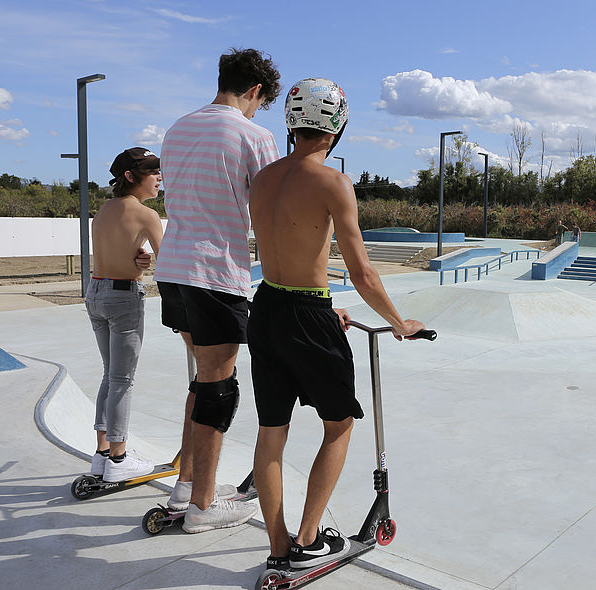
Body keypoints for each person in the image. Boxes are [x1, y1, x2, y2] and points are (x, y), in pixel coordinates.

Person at [247, 77, 425, 571]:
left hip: (267, 308)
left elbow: (284, 250)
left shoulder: (262, 178)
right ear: (338, 126)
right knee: (339, 424)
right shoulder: (332, 182)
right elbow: (363, 272)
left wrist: (324, 305)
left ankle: (278, 547)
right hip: (307, 315)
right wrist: (398, 323)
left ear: (291, 122)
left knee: (271, 431)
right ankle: (308, 539)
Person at [153, 47, 282, 533]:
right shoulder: (253, 134)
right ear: (254, 91)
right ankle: (204, 508)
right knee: (219, 387)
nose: (256, 111)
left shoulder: (177, 128)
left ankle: (187, 485)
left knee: (204, 377)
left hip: (174, 268)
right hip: (215, 271)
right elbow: (269, 208)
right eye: (259, 102)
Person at [85, 148, 164, 482]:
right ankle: (118, 459)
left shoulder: (104, 209)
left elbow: (119, 251)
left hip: (96, 291)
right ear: (131, 177)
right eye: (153, 172)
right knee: (122, 380)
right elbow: (169, 258)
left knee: (109, 374)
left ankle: (102, 454)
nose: (160, 177)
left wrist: (141, 261)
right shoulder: (145, 215)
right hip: (123, 298)